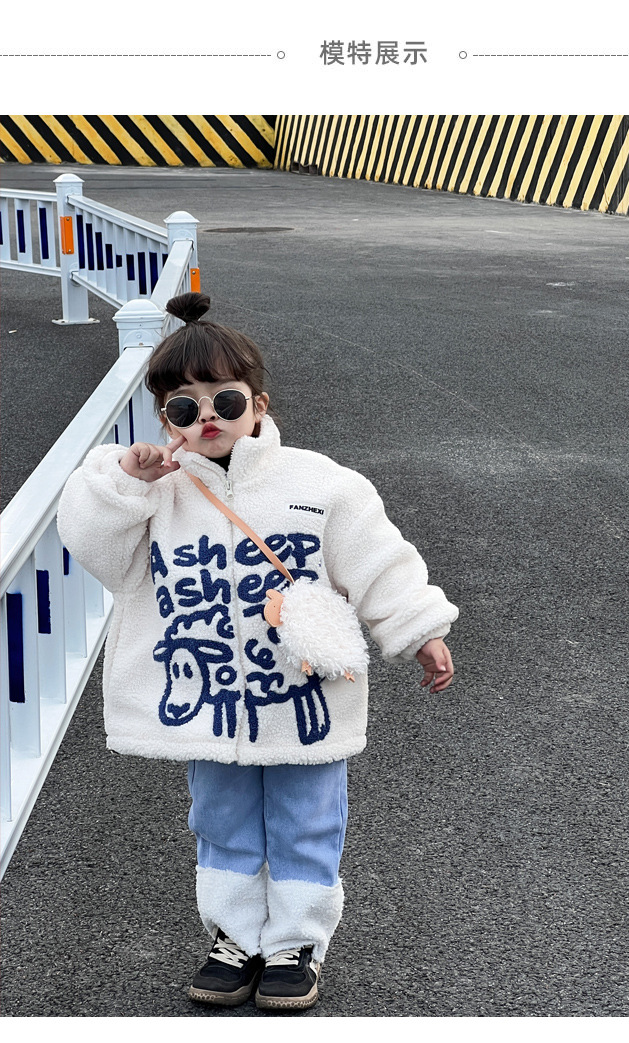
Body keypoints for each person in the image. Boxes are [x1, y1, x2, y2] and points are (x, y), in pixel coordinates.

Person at [58, 292, 458, 1013]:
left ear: (259, 403)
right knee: (220, 821)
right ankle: (235, 937)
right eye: (183, 407)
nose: (205, 417)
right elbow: (97, 552)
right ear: (165, 419)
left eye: (225, 400)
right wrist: (124, 482)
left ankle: (296, 943)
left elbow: (377, 561)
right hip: (208, 698)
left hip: (303, 697)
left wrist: (420, 628)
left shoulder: (322, 483)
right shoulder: (157, 492)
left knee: (308, 820)